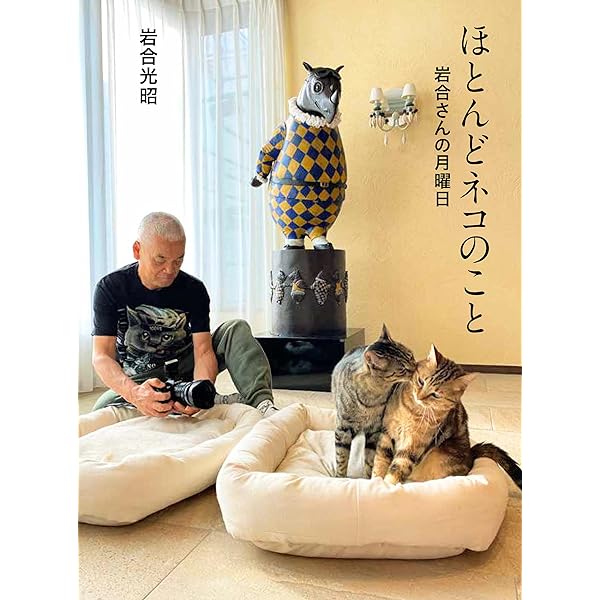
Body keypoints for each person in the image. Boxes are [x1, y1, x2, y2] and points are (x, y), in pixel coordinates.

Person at [91, 211, 278, 418]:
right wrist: (135, 394)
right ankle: (210, 400)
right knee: (101, 409)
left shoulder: (193, 289)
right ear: (137, 250)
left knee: (235, 329)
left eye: (178, 260)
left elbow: (203, 350)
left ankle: (261, 403)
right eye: (160, 260)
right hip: (141, 378)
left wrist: (200, 389)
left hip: (184, 365)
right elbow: (101, 356)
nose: (170, 270)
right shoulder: (110, 288)